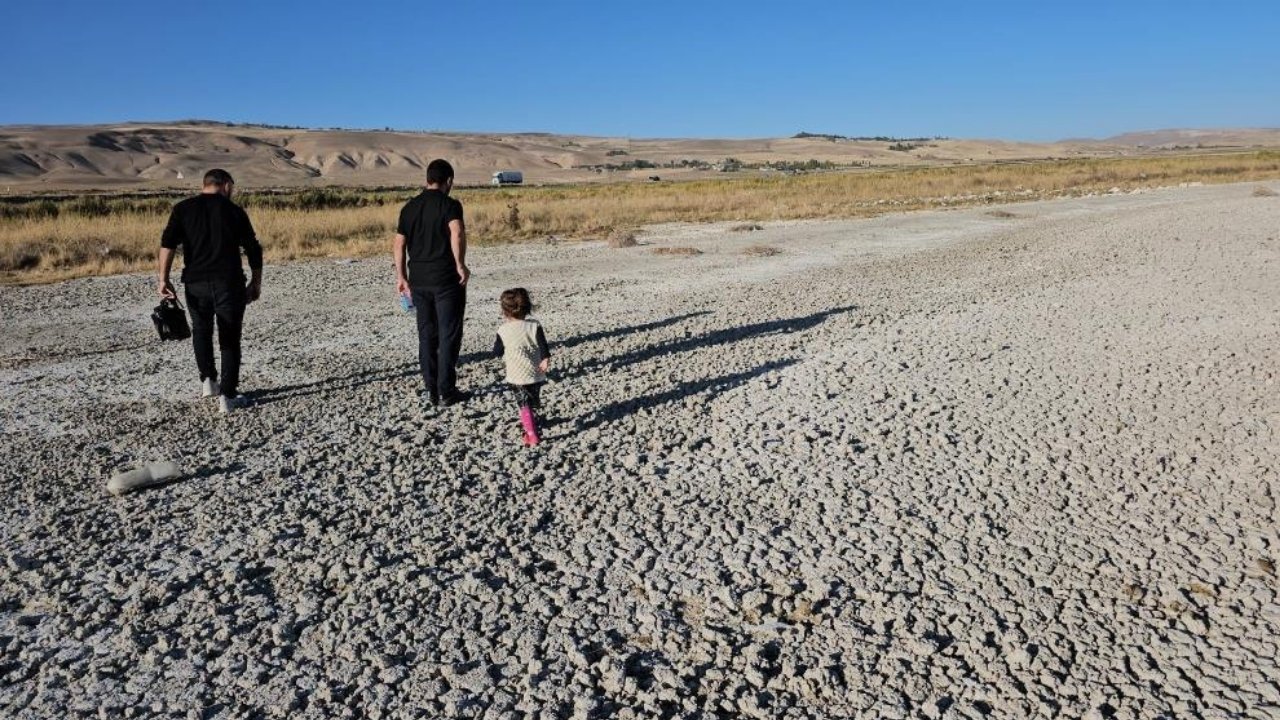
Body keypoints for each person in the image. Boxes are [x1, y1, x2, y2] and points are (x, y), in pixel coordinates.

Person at [157, 168, 263, 414]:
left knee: (201, 331)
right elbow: (253, 249)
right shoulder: (234, 211)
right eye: (232, 187)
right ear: (226, 185)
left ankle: (208, 381)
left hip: (195, 283)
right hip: (229, 283)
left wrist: (163, 279)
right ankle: (228, 395)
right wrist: (256, 283)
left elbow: (168, 243)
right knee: (229, 336)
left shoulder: (182, 209)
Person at [393, 159, 471, 406]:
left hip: (418, 280)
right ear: (449, 181)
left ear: (427, 179)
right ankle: (446, 390)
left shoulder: (409, 208)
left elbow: (398, 243)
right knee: (448, 334)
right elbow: (456, 231)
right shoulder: (450, 205)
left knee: (426, 334)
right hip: (446, 279)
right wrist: (460, 264)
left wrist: (401, 276)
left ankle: (430, 388)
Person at [492, 288, 552, 446]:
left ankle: (531, 434)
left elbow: (497, 351)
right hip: (535, 371)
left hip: (516, 373)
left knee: (522, 403)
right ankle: (532, 418)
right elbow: (543, 346)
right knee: (531, 398)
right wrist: (545, 359)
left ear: (504, 311)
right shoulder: (534, 326)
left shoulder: (503, 330)